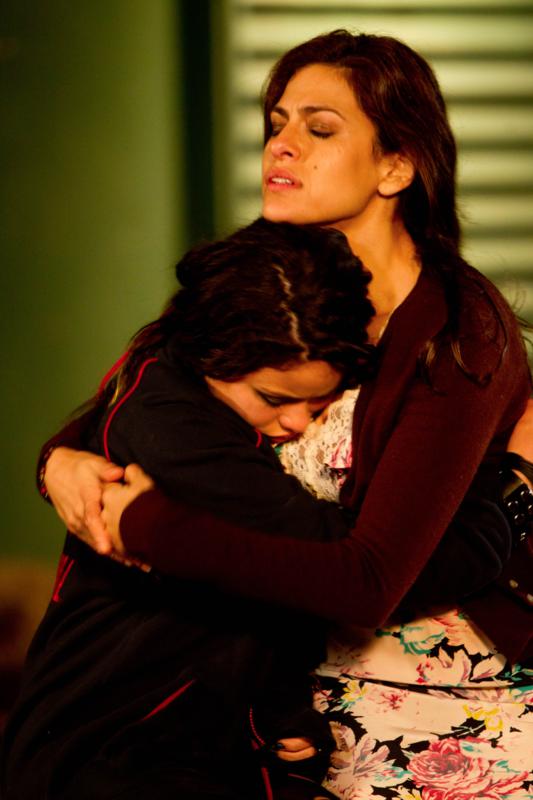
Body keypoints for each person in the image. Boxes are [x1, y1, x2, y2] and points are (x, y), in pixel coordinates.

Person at [25, 30, 533, 797]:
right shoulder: (260, 279)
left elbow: (372, 578)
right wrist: (57, 462)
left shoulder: (454, 329)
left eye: (319, 129)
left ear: (396, 166)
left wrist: (148, 525)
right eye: (276, 123)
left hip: (420, 674)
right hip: (270, 677)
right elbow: (140, 403)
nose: (281, 146)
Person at [1, 218, 380, 800]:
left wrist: (279, 713)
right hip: (107, 751)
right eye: (274, 399)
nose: (298, 422)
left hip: (179, 741)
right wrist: (504, 504)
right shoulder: (172, 429)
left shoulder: (176, 380)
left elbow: (245, 590)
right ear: (211, 354)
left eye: (318, 403)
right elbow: (339, 558)